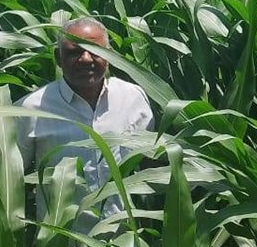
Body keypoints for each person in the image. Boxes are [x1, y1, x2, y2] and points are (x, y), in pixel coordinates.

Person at [16, 17, 154, 232]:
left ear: (109, 56)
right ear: (58, 58)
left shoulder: (132, 98)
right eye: (74, 52)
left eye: (94, 50)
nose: (86, 59)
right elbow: (11, 178)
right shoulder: (31, 109)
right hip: (61, 243)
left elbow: (149, 164)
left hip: (123, 237)